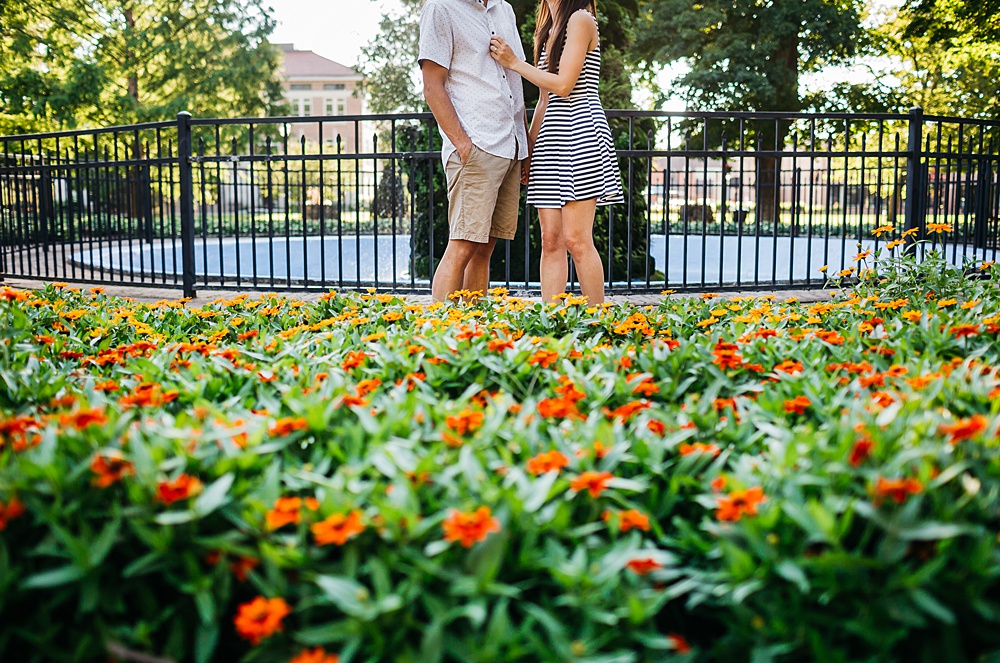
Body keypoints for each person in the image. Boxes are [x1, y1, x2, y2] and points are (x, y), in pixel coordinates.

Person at [489, 0, 623, 305]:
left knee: (576, 239)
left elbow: (563, 85)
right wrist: (529, 149)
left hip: (582, 133)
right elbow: (544, 99)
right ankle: (553, 323)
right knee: (551, 240)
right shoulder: (548, 28)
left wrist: (514, 62)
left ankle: (597, 322)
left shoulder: (581, 19)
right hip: (551, 138)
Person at [418, 0, 530, 302]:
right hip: (477, 143)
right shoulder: (441, 8)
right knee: (463, 244)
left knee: (485, 247)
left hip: (510, 144)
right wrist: (463, 143)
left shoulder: (503, 9)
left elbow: (514, 80)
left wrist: (524, 145)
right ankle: (440, 335)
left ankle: (472, 331)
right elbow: (432, 85)